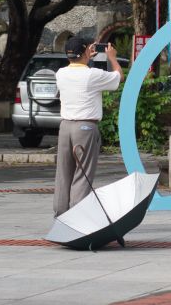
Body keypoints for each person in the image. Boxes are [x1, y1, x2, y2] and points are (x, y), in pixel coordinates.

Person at [52, 36, 122, 217]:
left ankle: (60, 213)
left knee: (63, 172)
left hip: (65, 126)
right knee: (83, 173)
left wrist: (85, 57)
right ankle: (77, 214)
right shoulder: (92, 75)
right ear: (85, 52)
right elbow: (117, 78)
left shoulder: (60, 73)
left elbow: (78, 67)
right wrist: (112, 57)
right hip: (85, 127)